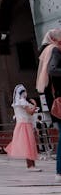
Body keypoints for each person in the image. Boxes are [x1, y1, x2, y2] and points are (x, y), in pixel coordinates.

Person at [36, 27, 61, 182]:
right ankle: (59, 171)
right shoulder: (54, 50)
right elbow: (53, 70)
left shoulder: (46, 51)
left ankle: (59, 171)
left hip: (55, 102)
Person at [5, 84, 41, 171]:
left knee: (29, 145)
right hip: (24, 125)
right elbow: (31, 112)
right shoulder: (22, 102)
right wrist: (35, 104)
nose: (26, 93)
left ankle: (31, 165)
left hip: (23, 124)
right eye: (24, 91)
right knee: (29, 145)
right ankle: (30, 166)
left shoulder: (17, 103)